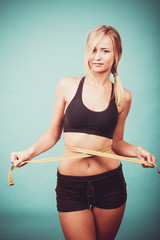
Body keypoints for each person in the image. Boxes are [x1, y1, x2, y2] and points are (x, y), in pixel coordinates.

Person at [11, 25, 156, 240]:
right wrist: (28, 153)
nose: (97, 57)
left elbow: (116, 142)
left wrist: (138, 151)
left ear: (116, 54)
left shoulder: (123, 96)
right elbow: (52, 135)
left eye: (105, 51)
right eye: (93, 50)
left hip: (110, 183)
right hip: (71, 186)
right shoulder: (67, 86)